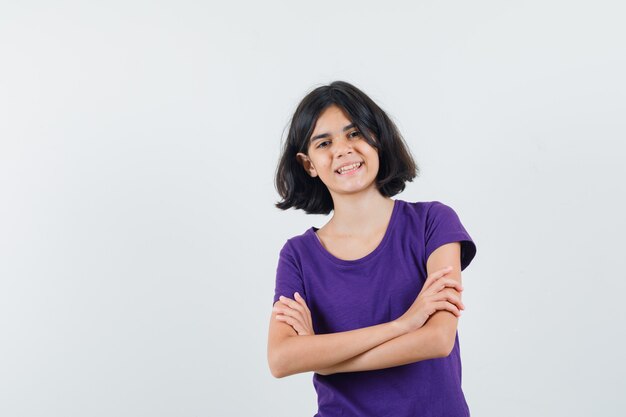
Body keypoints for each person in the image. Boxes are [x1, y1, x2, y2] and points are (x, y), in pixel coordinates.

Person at [267, 80, 477, 417]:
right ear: (308, 164)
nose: (343, 150)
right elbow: (281, 360)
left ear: (377, 138)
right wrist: (403, 324)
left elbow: (437, 339)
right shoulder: (298, 256)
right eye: (324, 142)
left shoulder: (433, 223)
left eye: (354, 134)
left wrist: (326, 359)